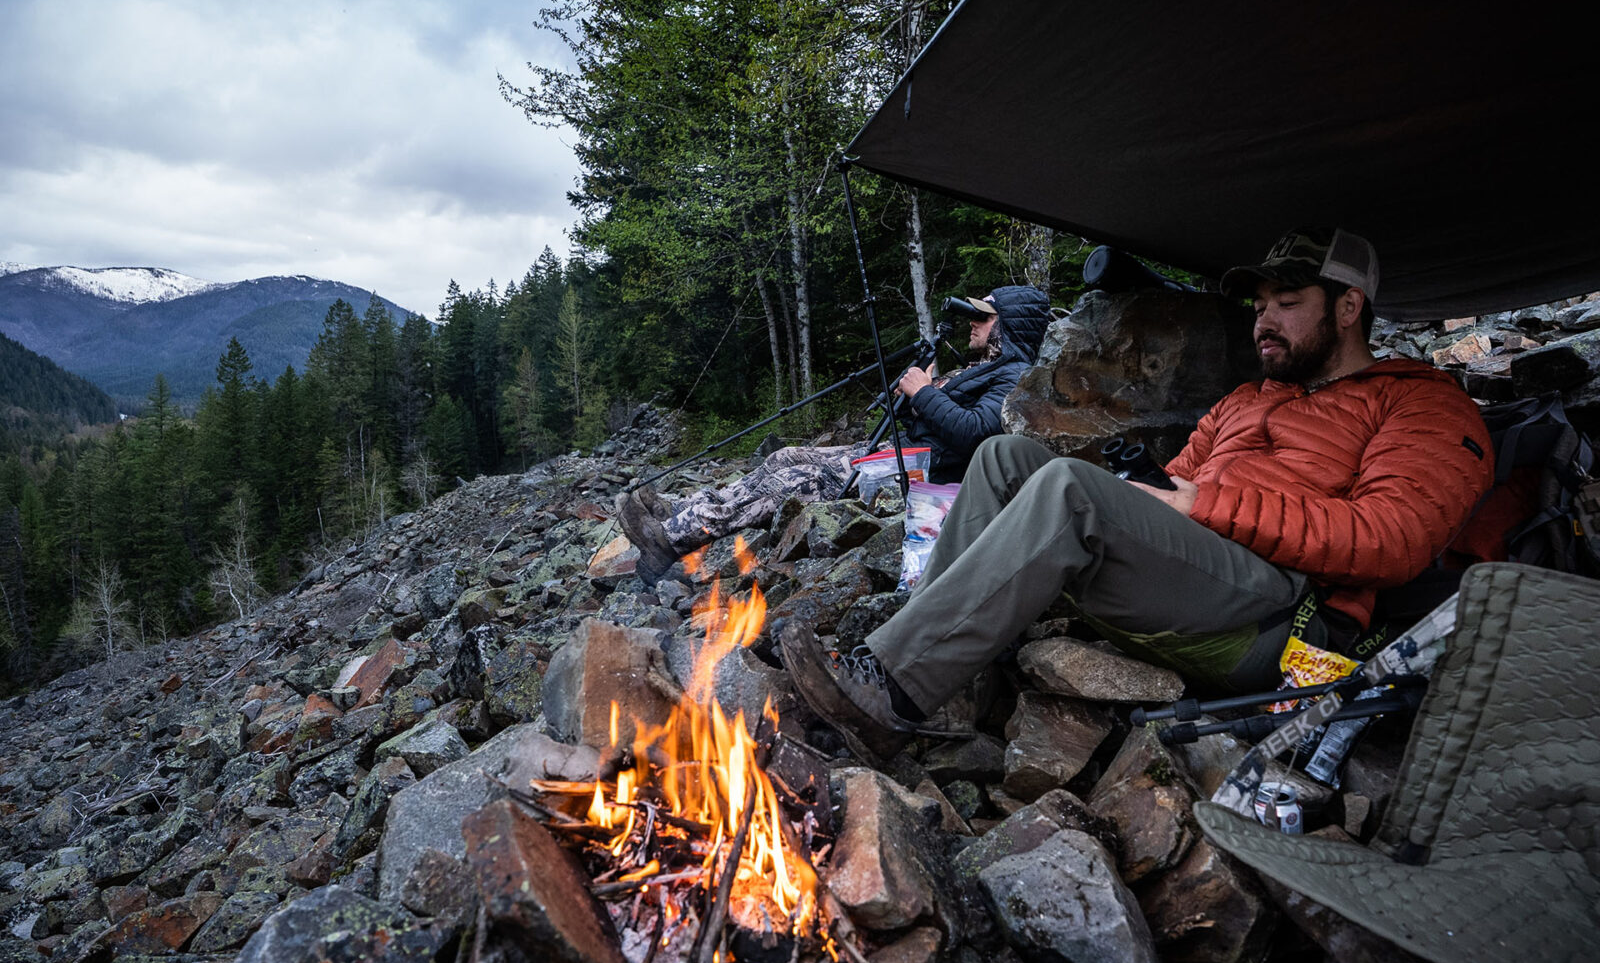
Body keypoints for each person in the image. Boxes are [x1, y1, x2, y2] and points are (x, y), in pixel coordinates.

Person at [781, 228, 1495, 760]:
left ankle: (890, 693)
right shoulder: (1248, 399)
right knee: (1004, 456)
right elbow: (1175, 479)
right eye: (1258, 304)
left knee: (1067, 488)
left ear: (1348, 307)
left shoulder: (1420, 404)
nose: (1262, 319)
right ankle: (948, 679)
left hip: (1281, 606)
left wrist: (1199, 505)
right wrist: (1159, 490)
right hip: (1194, 566)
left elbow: (1392, 541)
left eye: (1287, 302)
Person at [618, 284, 1050, 584]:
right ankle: (683, 509)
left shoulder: (1015, 375)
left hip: (926, 471)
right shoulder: (984, 367)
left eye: (984, 315)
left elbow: (976, 435)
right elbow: (922, 413)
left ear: (1007, 324)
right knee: (785, 457)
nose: (973, 321)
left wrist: (923, 393)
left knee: (790, 483)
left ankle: (671, 539)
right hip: (905, 449)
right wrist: (920, 390)